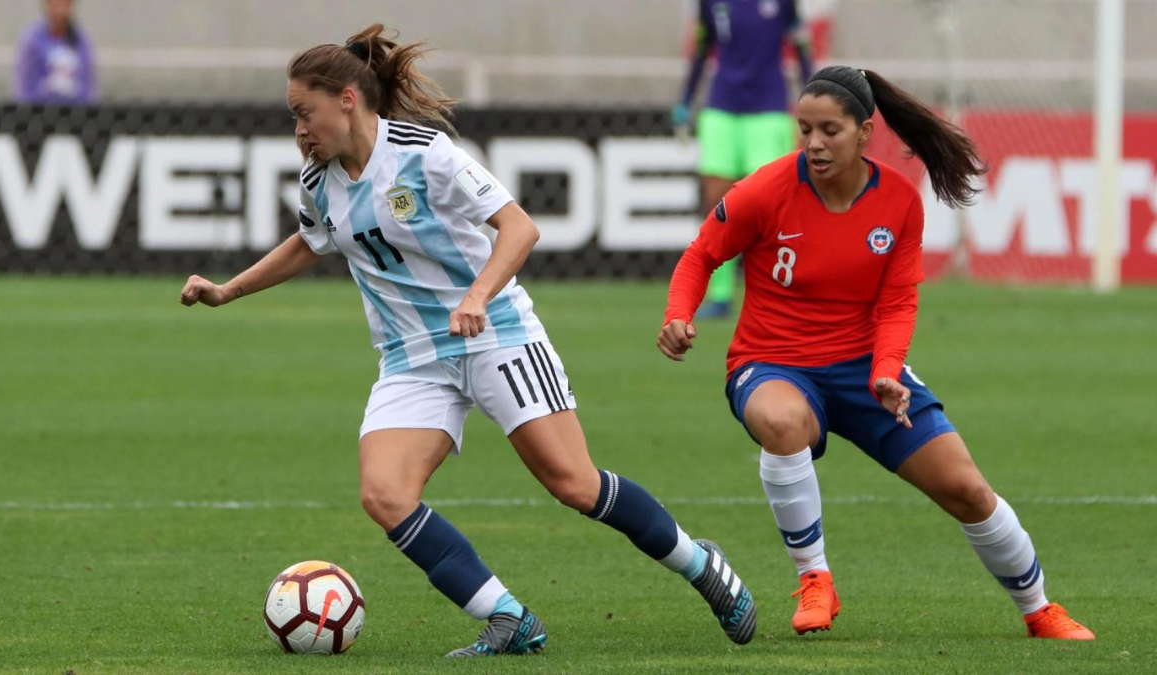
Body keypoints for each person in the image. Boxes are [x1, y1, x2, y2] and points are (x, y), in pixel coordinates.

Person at [180, 24, 757, 658]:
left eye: (304, 112)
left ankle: (699, 562)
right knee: (384, 494)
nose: (299, 130)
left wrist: (478, 295)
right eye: (293, 117)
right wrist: (229, 290)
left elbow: (519, 228)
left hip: (496, 335)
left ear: (346, 99)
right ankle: (507, 617)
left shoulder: (424, 152)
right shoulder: (318, 182)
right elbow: (310, 242)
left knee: (575, 484)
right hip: (411, 359)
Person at [658, 65, 1095, 640]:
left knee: (966, 488)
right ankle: (815, 578)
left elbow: (897, 303)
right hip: (773, 364)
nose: (814, 143)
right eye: (805, 129)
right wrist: (678, 315)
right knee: (781, 422)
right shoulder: (764, 190)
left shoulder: (898, 200)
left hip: (866, 370)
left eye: (830, 130)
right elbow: (701, 256)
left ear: (865, 132)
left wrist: (887, 373)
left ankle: (1039, 610)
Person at [674, 0, 812, 318]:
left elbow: (801, 46)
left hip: (769, 109)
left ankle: (775, 292)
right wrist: (686, 99)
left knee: (770, 207)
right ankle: (720, 295)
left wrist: (813, 96)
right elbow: (702, 48)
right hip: (721, 107)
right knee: (717, 202)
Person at [15, 0, 98, 105]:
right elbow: (24, 90)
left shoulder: (81, 41)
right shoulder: (32, 40)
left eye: (64, 4)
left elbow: (88, 88)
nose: (60, 11)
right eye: (55, 5)